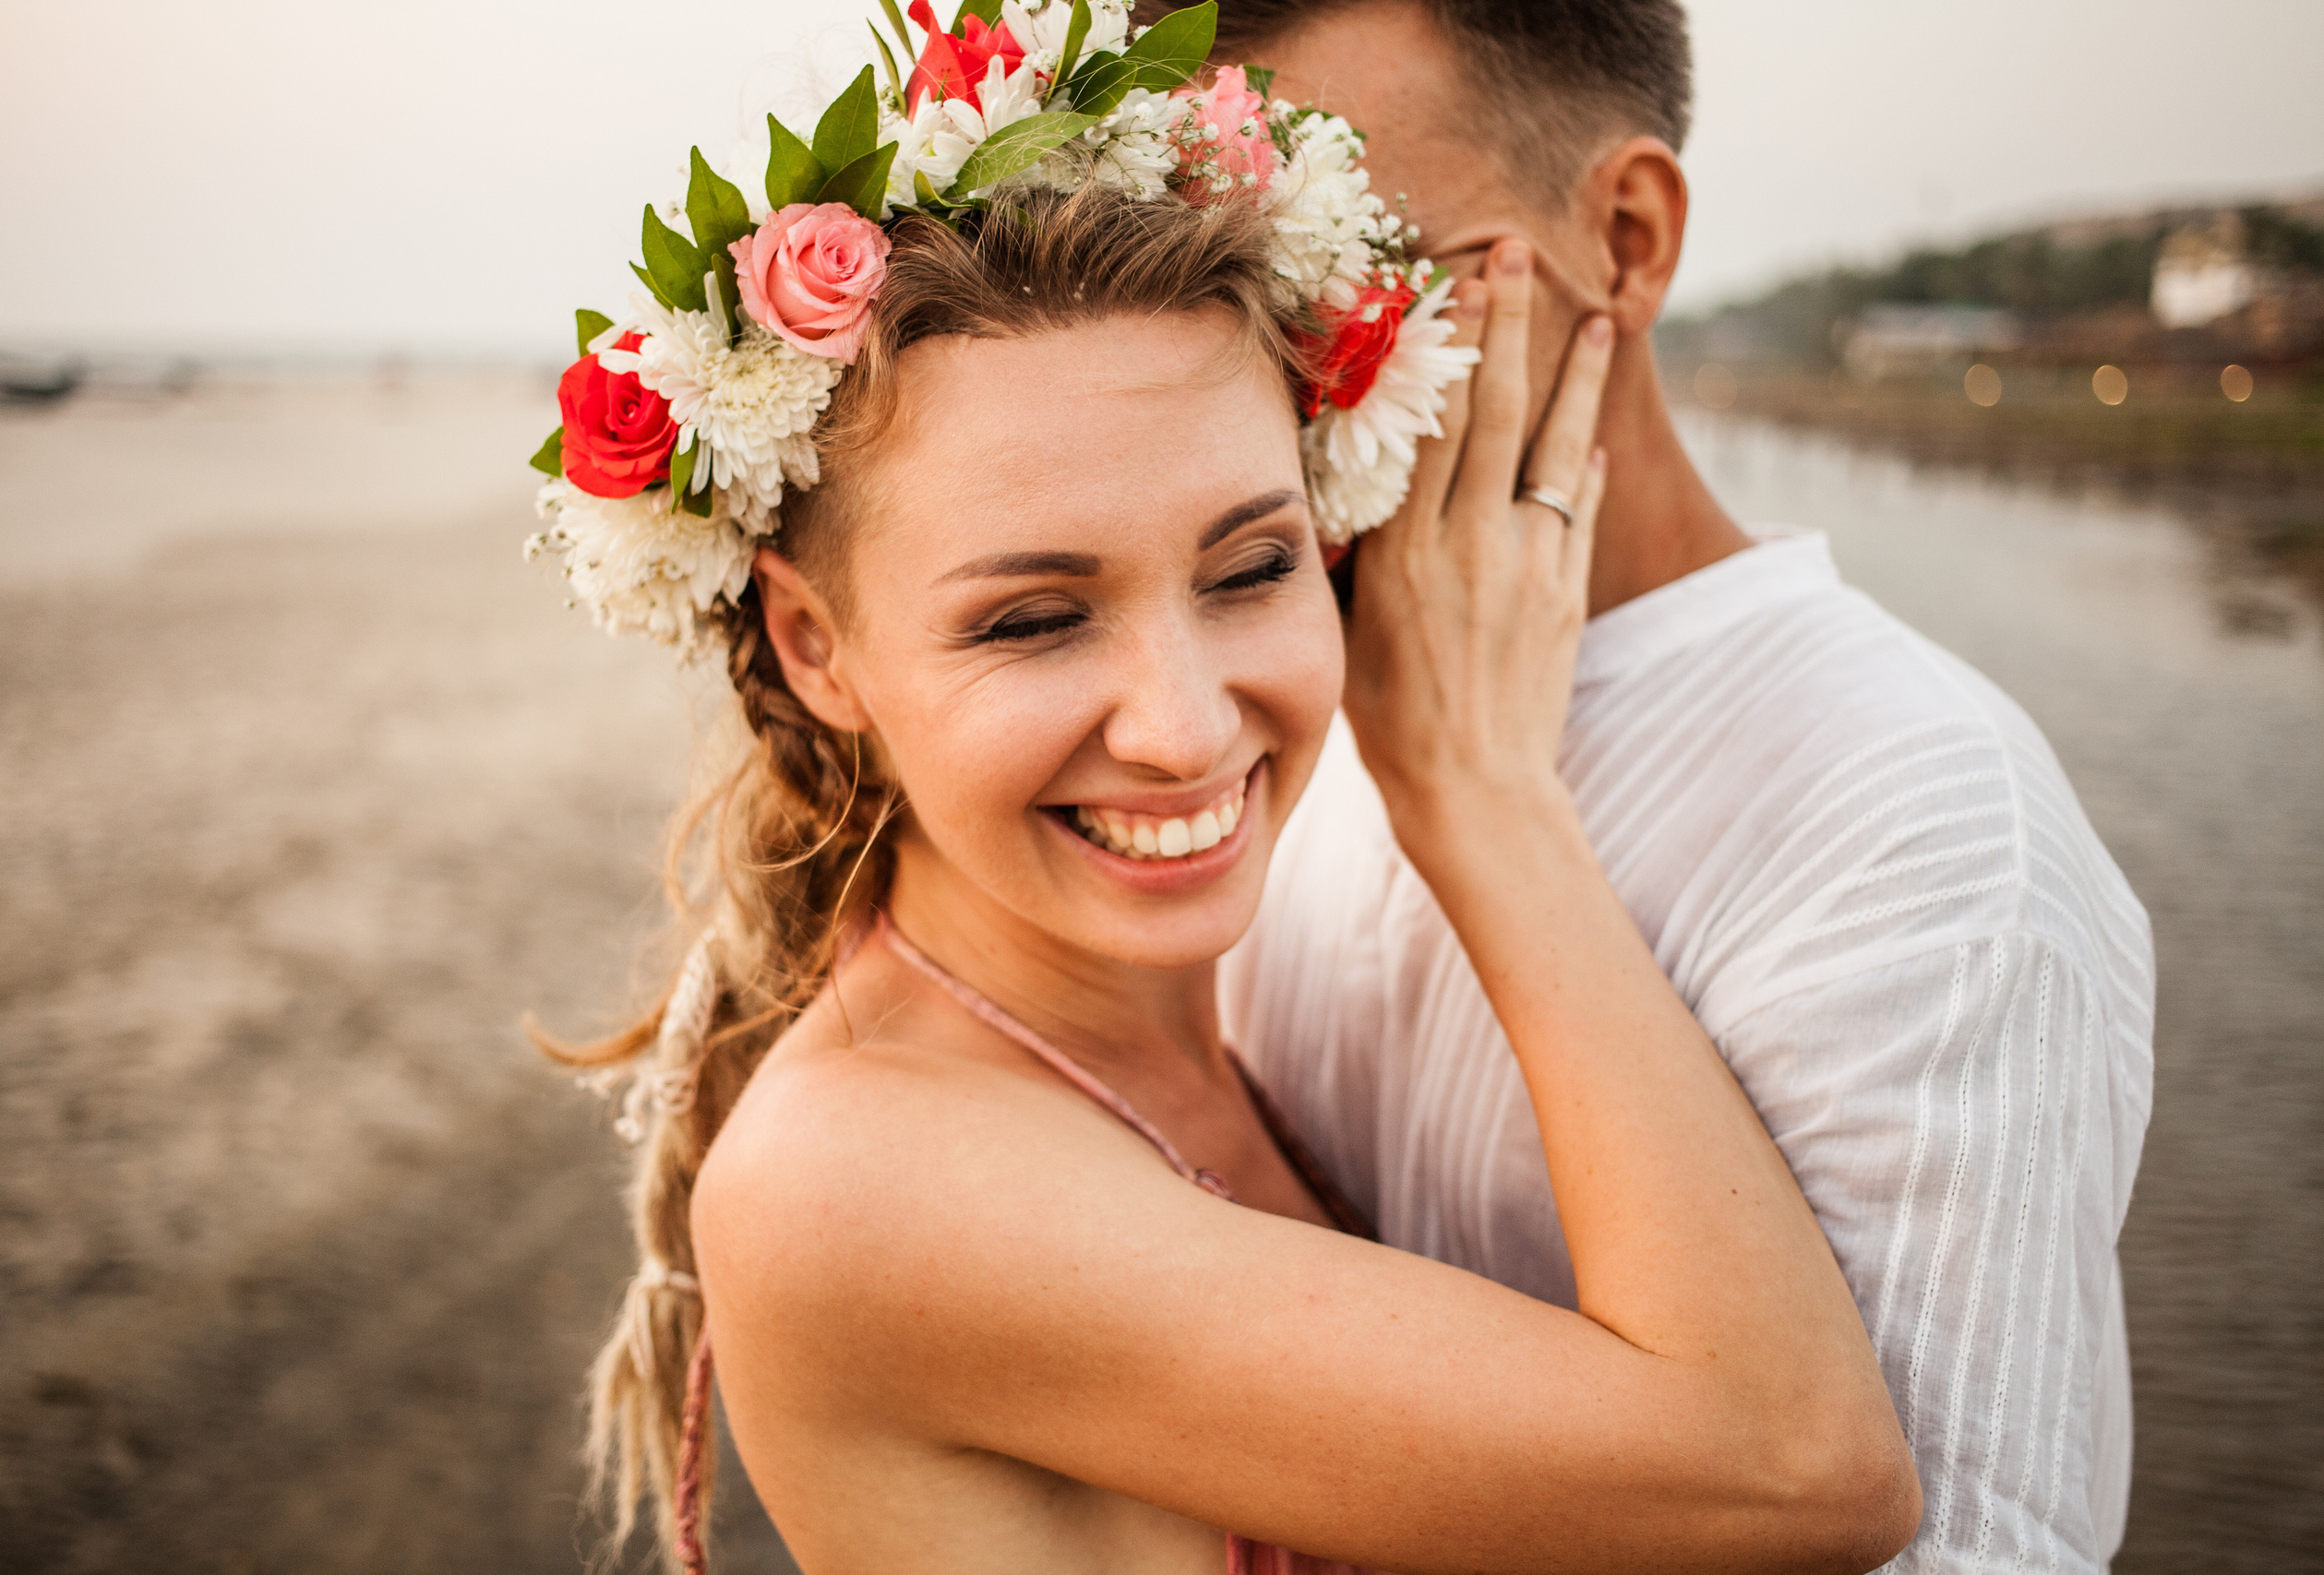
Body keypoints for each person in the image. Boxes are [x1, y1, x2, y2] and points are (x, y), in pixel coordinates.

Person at [529, 6, 1919, 1571]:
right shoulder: (865, 1183)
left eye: (1252, 566)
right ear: (813, 644)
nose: (1188, 734)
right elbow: (1802, 1470)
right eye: (1035, 619)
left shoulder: (1176, 1009)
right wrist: (1482, 797)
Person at [1129, 1, 2158, 1569]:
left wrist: (1479, 803)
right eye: (1216, 295)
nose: (1272, 381)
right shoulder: (1259, 721)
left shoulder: (1928, 825)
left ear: (1625, 237)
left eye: (1338, 282)